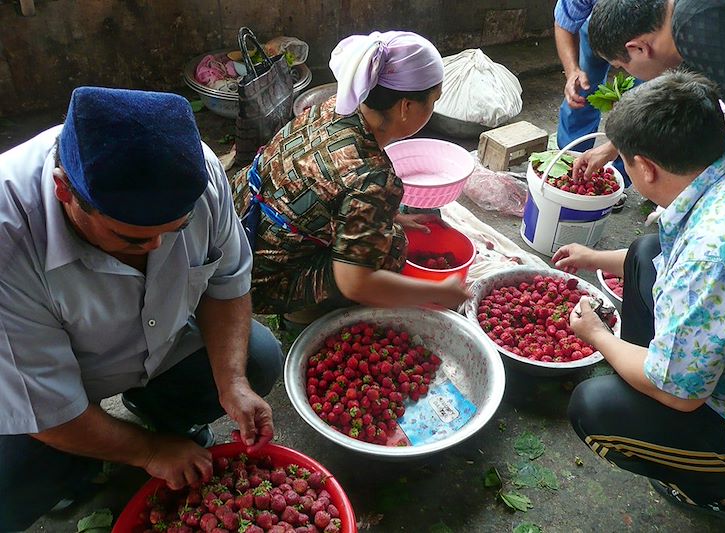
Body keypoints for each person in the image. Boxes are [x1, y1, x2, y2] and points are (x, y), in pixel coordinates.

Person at [0, 87, 284, 530]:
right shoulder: (9, 239)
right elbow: (45, 408)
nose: (157, 247)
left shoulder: (199, 175)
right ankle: (83, 465)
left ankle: (161, 422)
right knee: (11, 490)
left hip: (156, 343)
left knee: (258, 358)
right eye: (133, 239)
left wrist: (232, 384)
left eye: (175, 230)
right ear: (63, 191)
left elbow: (227, 281)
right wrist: (149, 452)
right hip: (36, 380)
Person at [553, 71, 725, 524]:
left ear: (645, 167)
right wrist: (593, 257)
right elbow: (675, 255)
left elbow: (681, 394)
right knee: (645, 252)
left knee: (596, 409)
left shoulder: (717, 255)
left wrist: (598, 335)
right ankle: (661, 383)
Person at [228, 31, 471, 324]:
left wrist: (389, 216)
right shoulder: (374, 176)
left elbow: (323, 186)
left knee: (386, 234)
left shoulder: (334, 108)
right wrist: (439, 291)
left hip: (237, 224)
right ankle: (304, 315)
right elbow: (356, 282)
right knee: (391, 250)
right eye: (433, 101)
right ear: (406, 107)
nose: (432, 110)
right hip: (256, 279)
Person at [576, 0, 725, 186]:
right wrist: (614, 146)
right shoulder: (685, 18)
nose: (625, 72)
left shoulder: (691, 23)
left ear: (638, 48)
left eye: (621, 66)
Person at [553, 0, 633, 211]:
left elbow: (657, 106)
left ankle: (621, 176)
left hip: (651, 30)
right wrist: (572, 72)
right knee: (582, 89)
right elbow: (564, 22)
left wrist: (615, 146)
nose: (618, 66)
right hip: (595, 24)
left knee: (641, 98)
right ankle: (569, 163)